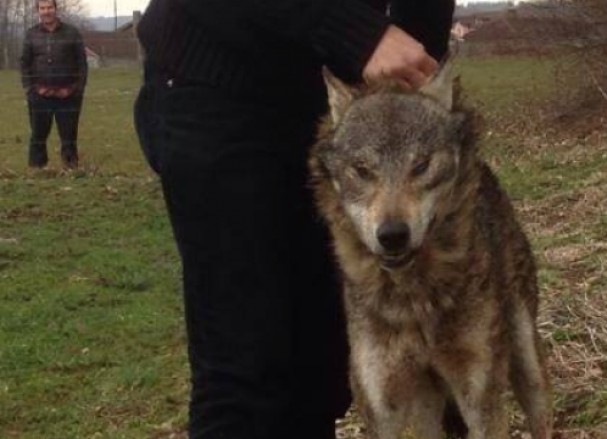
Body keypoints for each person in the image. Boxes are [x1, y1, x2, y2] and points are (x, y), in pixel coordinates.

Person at [133, 1, 454, 438]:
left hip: (329, 103)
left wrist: (417, 73)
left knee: (317, 364)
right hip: (217, 89)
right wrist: (359, 34)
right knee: (245, 369)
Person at [20, 0, 87, 169]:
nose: (46, 11)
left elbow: (82, 64)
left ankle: (71, 168)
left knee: (69, 136)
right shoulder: (31, 34)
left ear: (56, 9)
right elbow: (24, 63)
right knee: (38, 135)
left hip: (68, 95)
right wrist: (30, 89)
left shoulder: (72, 33)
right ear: (38, 11)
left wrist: (77, 89)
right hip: (40, 95)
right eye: (42, 8)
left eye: (49, 7)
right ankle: (37, 169)